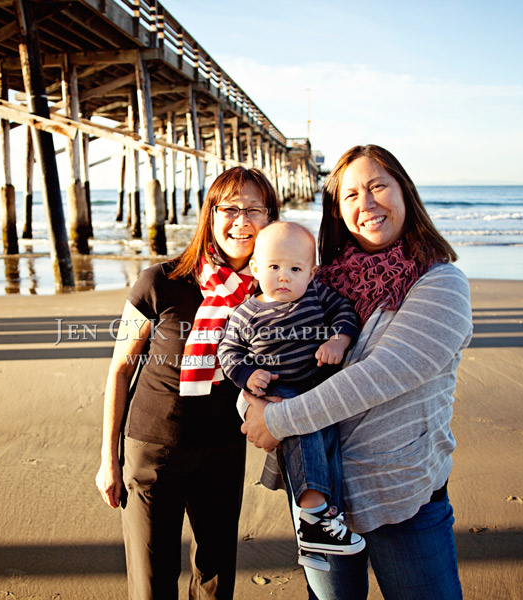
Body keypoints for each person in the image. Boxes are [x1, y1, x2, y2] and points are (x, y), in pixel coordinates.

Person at [241, 145, 473, 599]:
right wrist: (249, 402)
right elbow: (260, 345)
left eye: (377, 186)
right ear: (337, 211)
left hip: (401, 495)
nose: (365, 204)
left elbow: (381, 375)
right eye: (350, 195)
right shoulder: (316, 283)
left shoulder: (441, 282)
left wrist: (278, 420)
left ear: (404, 192)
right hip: (322, 504)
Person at [95, 166, 279, 599]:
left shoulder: (273, 291)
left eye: (254, 208)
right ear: (210, 215)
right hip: (153, 447)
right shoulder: (160, 282)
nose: (242, 220)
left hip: (223, 448)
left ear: (270, 217)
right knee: (151, 582)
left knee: (215, 580)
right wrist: (109, 458)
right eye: (230, 208)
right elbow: (120, 369)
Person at [217, 221, 365, 571]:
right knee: (306, 429)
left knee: (329, 447)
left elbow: (346, 314)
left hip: (316, 385)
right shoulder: (246, 313)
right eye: (274, 267)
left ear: (312, 273)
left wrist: (338, 341)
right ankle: (313, 511)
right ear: (255, 268)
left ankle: (319, 530)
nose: (284, 277)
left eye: (295, 269)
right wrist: (247, 374)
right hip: (277, 390)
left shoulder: (317, 296)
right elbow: (228, 351)